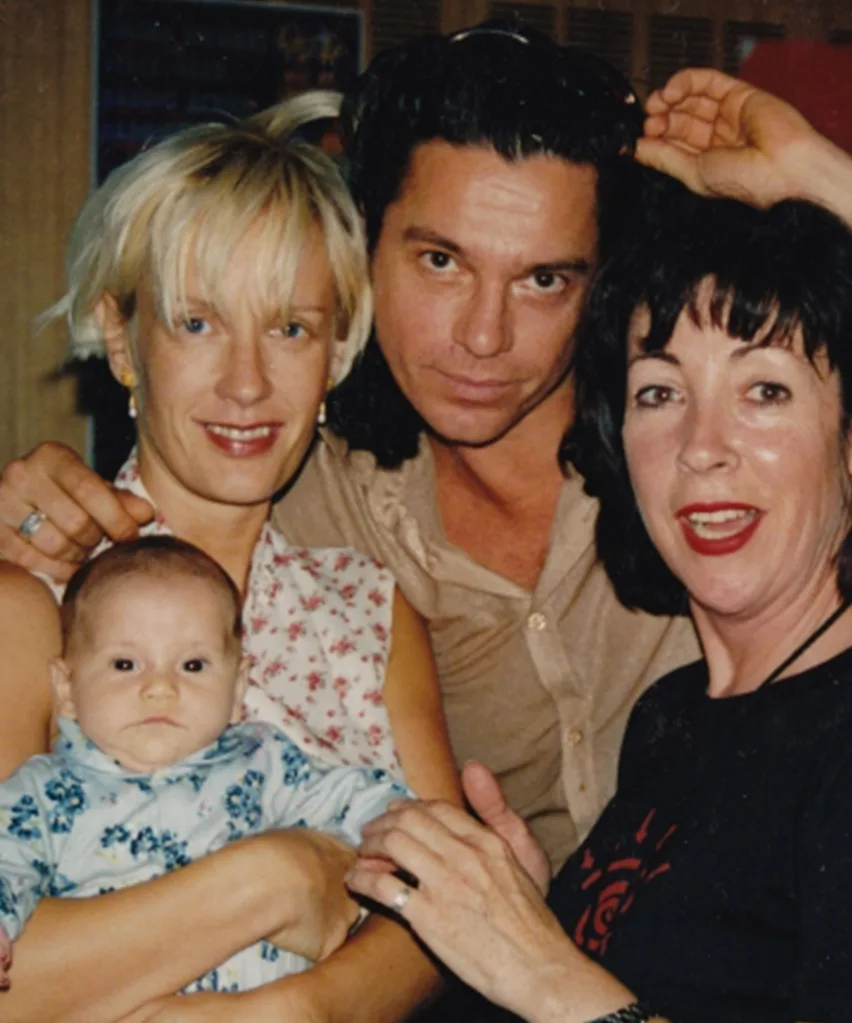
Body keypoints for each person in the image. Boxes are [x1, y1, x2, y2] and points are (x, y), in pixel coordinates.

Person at [4, 35, 852, 869]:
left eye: (544, 279)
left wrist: (820, 180)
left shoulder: (694, 444)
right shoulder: (295, 492)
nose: (484, 336)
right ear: (364, 257)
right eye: (442, 261)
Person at [0, 92, 462, 1023]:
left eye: (289, 328)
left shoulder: (368, 615)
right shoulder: (31, 600)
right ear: (122, 338)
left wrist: (297, 1011)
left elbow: (446, 917)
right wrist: (279, 878)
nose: (248, 383)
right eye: (198, 323)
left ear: (336, 351)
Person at [346, 191, 852, 1023]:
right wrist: (537, 910)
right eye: (660, 393)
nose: (701, 447)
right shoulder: (675, 714)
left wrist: (542, 967)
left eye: (765, 390)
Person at [0, 536, 409, 994]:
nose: (160, 688)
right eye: (125, 664)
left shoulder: (263, 764)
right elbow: (6, 860)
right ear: (67, 688)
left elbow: (352, 797)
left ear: (237, 690)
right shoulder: (42, 793)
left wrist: (404, 826)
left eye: (193, 665)